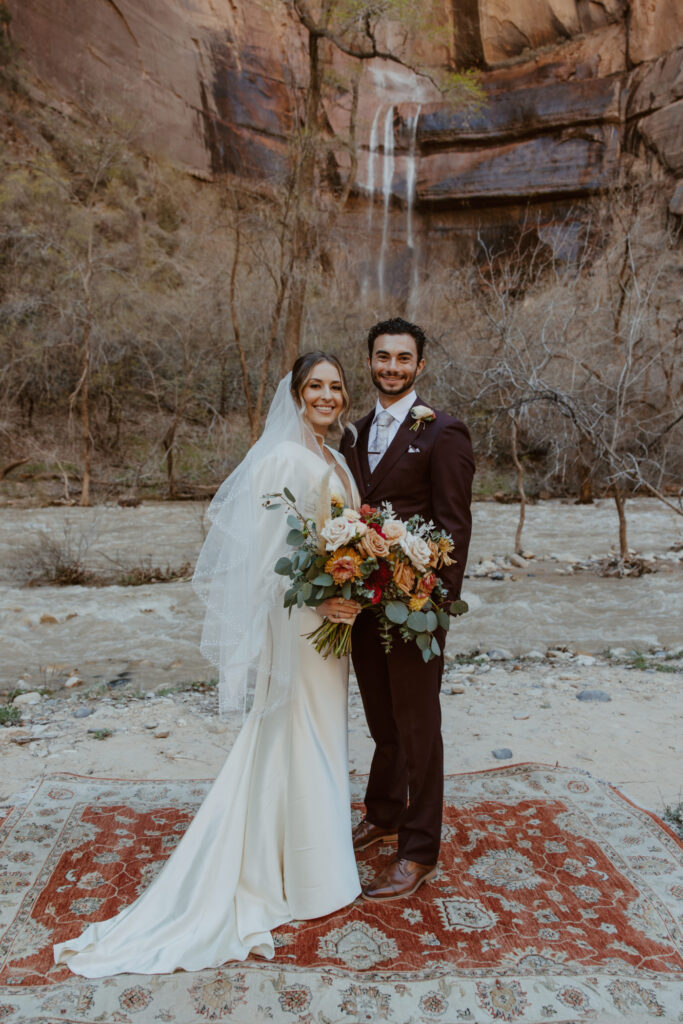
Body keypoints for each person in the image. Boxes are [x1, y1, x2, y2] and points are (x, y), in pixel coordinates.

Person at [53, 352, 362, 976]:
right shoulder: (282, 459)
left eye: (335, 387)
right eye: (315, 387)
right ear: (296, 395)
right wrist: (322, 595)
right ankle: (301, 877)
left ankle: (314, 860)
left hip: (336, 621)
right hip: (302, 621)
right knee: (296, 733)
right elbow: (268, 560)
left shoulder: (335, 458)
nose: (326, 396)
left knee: (324, 735)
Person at [340, 317, 474, 901]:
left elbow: (454, 526)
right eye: (382, 356)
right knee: (380, 718)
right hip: (365, 606)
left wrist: (434, 605)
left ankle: (419, 849)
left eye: (403, 358)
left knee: (419, 729)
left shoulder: (444, 432)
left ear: (420, 366)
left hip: (416, 610)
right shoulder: (353, 433)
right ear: (369, 361)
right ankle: (385, 809)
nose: (391, 367)